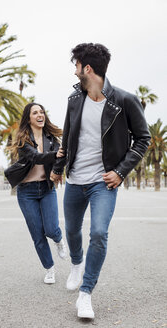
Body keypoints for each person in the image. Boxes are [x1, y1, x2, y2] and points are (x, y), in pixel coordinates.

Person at [51, 43, 151, 319]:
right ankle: (76, 263)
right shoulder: (74, 100)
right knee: (72, 231)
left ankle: (86, 294)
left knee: (98, 233)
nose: (74, 71)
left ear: (88, 68)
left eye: (76, 66)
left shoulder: (124, 101)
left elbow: (143, 139)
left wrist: (121, 171)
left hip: (103, 182)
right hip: (75, 180)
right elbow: (67, 138)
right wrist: (59, 167)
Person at [10, 102, 67, 284]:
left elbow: (61, 158)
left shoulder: (52, 139)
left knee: (51, 229)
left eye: (41, 111)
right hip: (26, 191)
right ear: (29, 118)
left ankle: (58, 240)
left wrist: (56, 170)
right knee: (37, 234)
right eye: (35, 113)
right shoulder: (23, 140)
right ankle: (49, 269)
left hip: (46, 188)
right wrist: (55, 155)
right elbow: (35, 157)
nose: (39, 115)